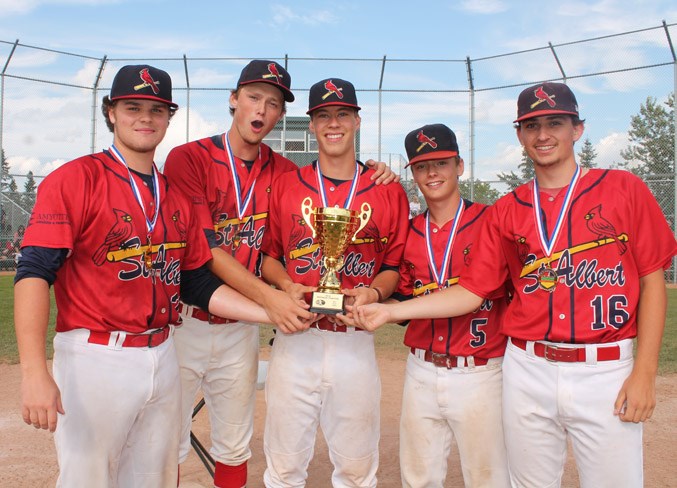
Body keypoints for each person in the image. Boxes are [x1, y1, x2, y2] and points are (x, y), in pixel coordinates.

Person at [355, 82, 677, 487]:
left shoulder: (624, 189)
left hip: (605, 368)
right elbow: (473, 291)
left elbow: (652, 280)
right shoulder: (508, 210)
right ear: (519, 135)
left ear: (577, 129)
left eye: (554, 123)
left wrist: (645, 372)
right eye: (532, 126)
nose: (543, 135)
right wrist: (390, 309)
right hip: (528, 367)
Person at [13, 64, 272, 487]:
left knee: (151, 479)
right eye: (133, 107)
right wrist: (33, 372)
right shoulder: (75, 179)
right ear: (111, 112)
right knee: (88, 479)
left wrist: (272, 314)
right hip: (96, 357)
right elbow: (34, 271)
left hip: (164, 353)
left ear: (170, 118)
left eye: (157, 109)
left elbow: (196, 283)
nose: (145, 118)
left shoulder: (175, 196)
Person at [163, 60, 398, 488]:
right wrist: (273, 296)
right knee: (166, 444)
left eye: (273, 103)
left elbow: (336, 180)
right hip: (188, 319)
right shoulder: (189, 158)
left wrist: (374, 171)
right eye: (254, 97)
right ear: (234, 99)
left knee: (235, 443)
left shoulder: (286, 173)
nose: (262, 110)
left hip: (245, 329)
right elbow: (207, 250)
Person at [259, 78, 410, 487]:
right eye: (323, 115)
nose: (333, 123)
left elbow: (393, 264)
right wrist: (287, 286)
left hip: (353, 339)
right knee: (285, 466)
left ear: (357, 121)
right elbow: (270, 258)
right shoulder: (287, 184)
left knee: (358, 469)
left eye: (343, 113)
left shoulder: (388, 190)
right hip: (295, 337)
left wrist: (375, 291)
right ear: (311, 125)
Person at [394, 123, 510, 487]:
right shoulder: (407, 231)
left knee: (488, 477)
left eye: (441, 163)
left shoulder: (492, 221)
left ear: (460, 166)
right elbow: (395, 293)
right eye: (422, 166)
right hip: (421, 370)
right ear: (412, 173)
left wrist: (390, 310)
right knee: (418, 478)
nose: (432, 173)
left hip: (480, 372)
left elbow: (477, 293)